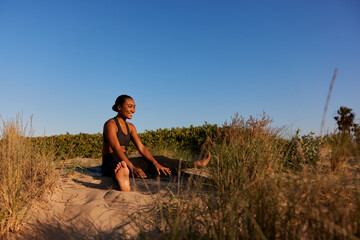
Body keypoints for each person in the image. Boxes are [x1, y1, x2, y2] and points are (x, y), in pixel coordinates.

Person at [102, 95, 210, 191]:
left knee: (160, 160)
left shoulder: (131, 127)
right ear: (119, 107)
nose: (133, 110)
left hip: (125, 160)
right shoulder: (110, 124)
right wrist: (132, 167)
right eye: (130, 106)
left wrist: (156, 163)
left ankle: (195, 164)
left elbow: (142, 148)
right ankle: (122, 177)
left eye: (134, 107)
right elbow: (116, 148)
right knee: (121, 166)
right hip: (110, 161)